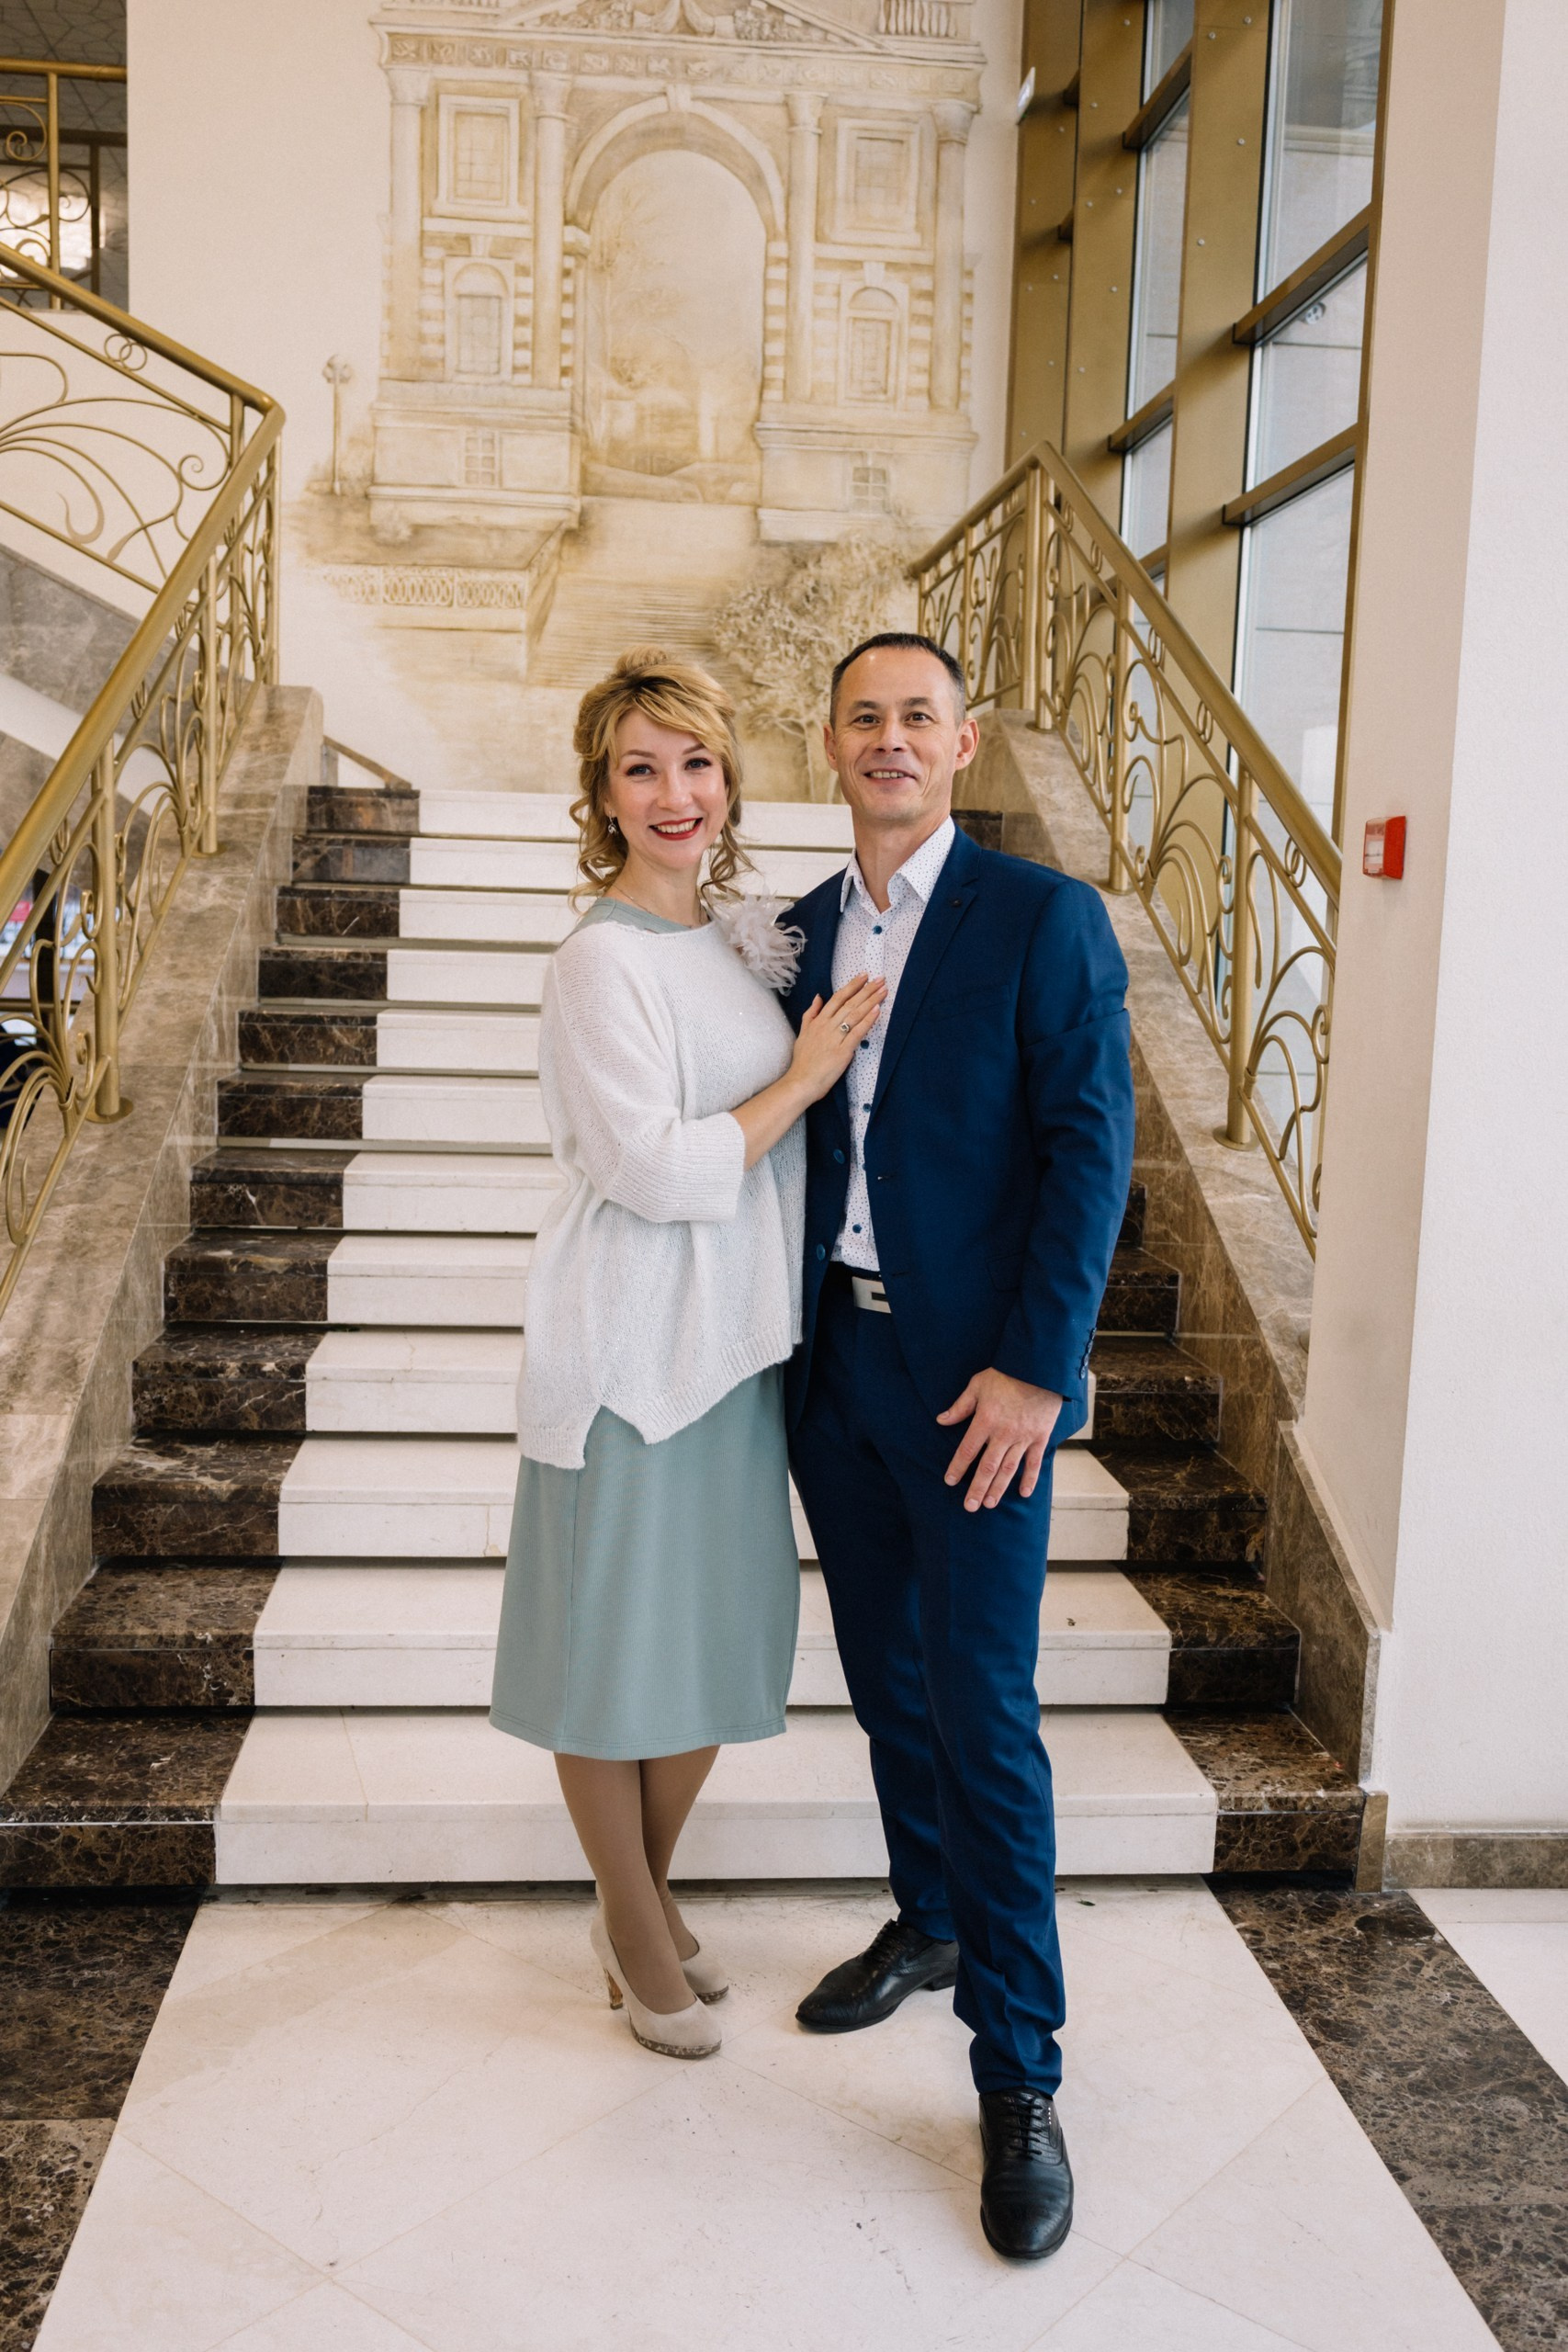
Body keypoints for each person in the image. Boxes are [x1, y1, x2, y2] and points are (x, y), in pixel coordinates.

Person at [783, 631, 1134, 2259]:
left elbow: (1089, 1153)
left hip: (978, 1393)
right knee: (885, 1681)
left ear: (963, 742)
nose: (891, 740)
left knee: (984, 1714)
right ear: (830, 744)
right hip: (833, 1374)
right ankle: (928, 1918)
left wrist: (1036, 1372)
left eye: (917, 716)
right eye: (865, 717)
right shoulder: (796, 931)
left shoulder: (1041, 917)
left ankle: (1020, 2072)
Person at [491, 648, 886, 2061]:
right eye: (641, 769)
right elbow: (653, 1170)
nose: (675, 793)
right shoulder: (599, 961)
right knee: (610, 1657)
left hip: (736, 1347)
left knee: (714, 1645)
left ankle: (638, 1903)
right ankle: (635, 1918)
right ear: (602, 795)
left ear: (728, 779)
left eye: (696, 763)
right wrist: (804, 1078)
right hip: (628, 1351)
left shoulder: (734, 942)